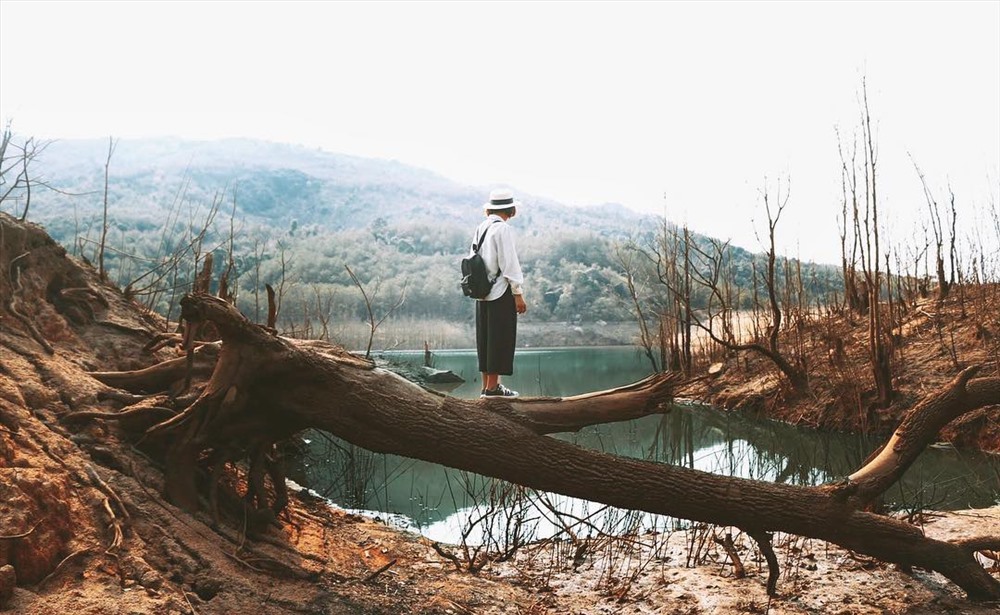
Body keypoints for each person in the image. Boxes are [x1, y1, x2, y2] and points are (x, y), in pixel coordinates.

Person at [471, 188, 527, 398]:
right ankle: (493, 389)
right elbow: (509, 263)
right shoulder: (503, 229)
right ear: (511, 210)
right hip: (500, 291)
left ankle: (486, 387)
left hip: (482, 292)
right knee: (499, 338)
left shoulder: (481, 228)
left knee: (485, 339)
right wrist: (518, 293)